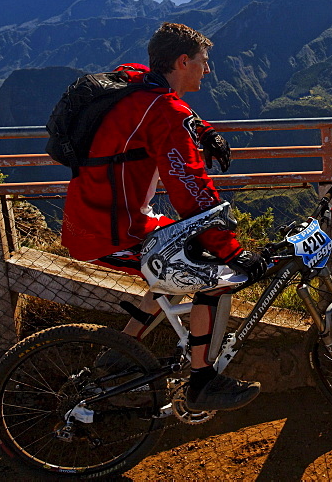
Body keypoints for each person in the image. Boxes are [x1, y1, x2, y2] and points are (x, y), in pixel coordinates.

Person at [61, 22, 267, 412]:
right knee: (215, 275)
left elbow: (165, 98)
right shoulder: (163, 112)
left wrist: (203, 132)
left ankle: (118, 355)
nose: (208, 71)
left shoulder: (136, 81)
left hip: (94, 216)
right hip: (112, 231)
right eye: (204, 62)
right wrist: (231, 251)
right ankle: (202, 380)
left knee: (175, 263)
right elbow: (192, 190)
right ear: (182, 61)